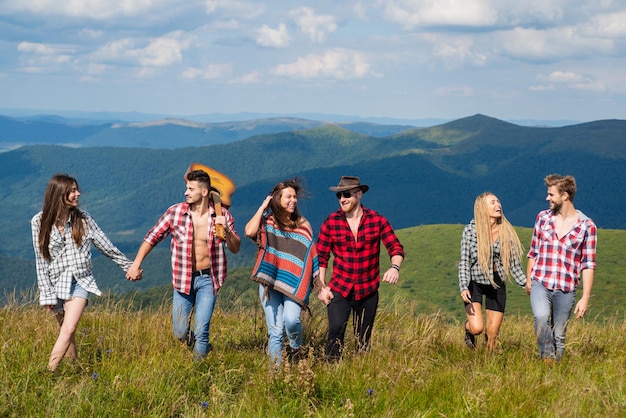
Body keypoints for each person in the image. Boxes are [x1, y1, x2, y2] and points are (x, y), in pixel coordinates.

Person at [126, 169, 241, 360]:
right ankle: (200, 346)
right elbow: (152, 237)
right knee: (180, 332)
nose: (186, 192)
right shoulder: (175, 212)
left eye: (190, 189)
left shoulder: (221, 215)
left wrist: (227, 231)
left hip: (208, 279)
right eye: (186, 188)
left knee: (202, 330)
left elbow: (235, 247)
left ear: (204, 192)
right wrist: (135, 264)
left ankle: (198, 373)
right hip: (182, 279)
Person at [31, 174, 135, 372]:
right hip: (55, 283)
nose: (77, 194)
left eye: (76, 190)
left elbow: (107, 246)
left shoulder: (84, 219)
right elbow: (40, 259)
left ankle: (47, 373)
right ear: (58, 193)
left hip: (81, 280)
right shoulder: (38, 221)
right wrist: (47, 294)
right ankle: (75, 373)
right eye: (72, 191)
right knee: (66, 333)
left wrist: (128, 266)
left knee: (69, 328)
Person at [316, 176, 405, 361]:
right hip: (340, 288)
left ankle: (360, 376)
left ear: (359, 194)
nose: (342, 199)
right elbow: (321, 258)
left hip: (368, 290)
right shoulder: (331, 222)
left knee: (363, 340)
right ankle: (331, 373)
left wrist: (395, 268)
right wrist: (321, 287)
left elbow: (395, 247)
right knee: (335, 331)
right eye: (339, 195)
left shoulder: (377, 220)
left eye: (346, 194)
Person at [244, 179, 319, 365]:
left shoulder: (303, 225)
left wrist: (320, 284)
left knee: (292, 320)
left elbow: (309, 256)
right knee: (275, 331)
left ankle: (295, 350)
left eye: (295, 197)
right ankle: (275, 377)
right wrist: (263, 207)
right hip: (270, 282)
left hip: (293, 283)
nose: (293, 200)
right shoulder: (268, 221)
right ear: (277, 199)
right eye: (288, 197)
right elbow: (248, 232)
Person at [526, 174, 597, 363]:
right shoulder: (542, 218)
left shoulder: (587, 226)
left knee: (559, 334)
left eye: (551, 194)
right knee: (541, 317)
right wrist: (529, 280)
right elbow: (533, 251)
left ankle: (556, 375)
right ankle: (547, 359)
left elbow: (588, 264)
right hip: (541, 280)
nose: (547, 198)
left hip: (566, 287)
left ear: (564, 195)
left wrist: (585, 297)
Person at [458, 192, 526, 351]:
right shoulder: (470, 231)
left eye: (498, 202)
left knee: (492, 333)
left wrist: (528, 285)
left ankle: (488, 365)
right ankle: (468, 330)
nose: (498, 205)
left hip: (496, 283)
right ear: (482, 209)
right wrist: (463, 286)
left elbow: (514, 265)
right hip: (474, 282)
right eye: (492, 203)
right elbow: (464, 261)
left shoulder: (506, 232)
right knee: (477, 328)